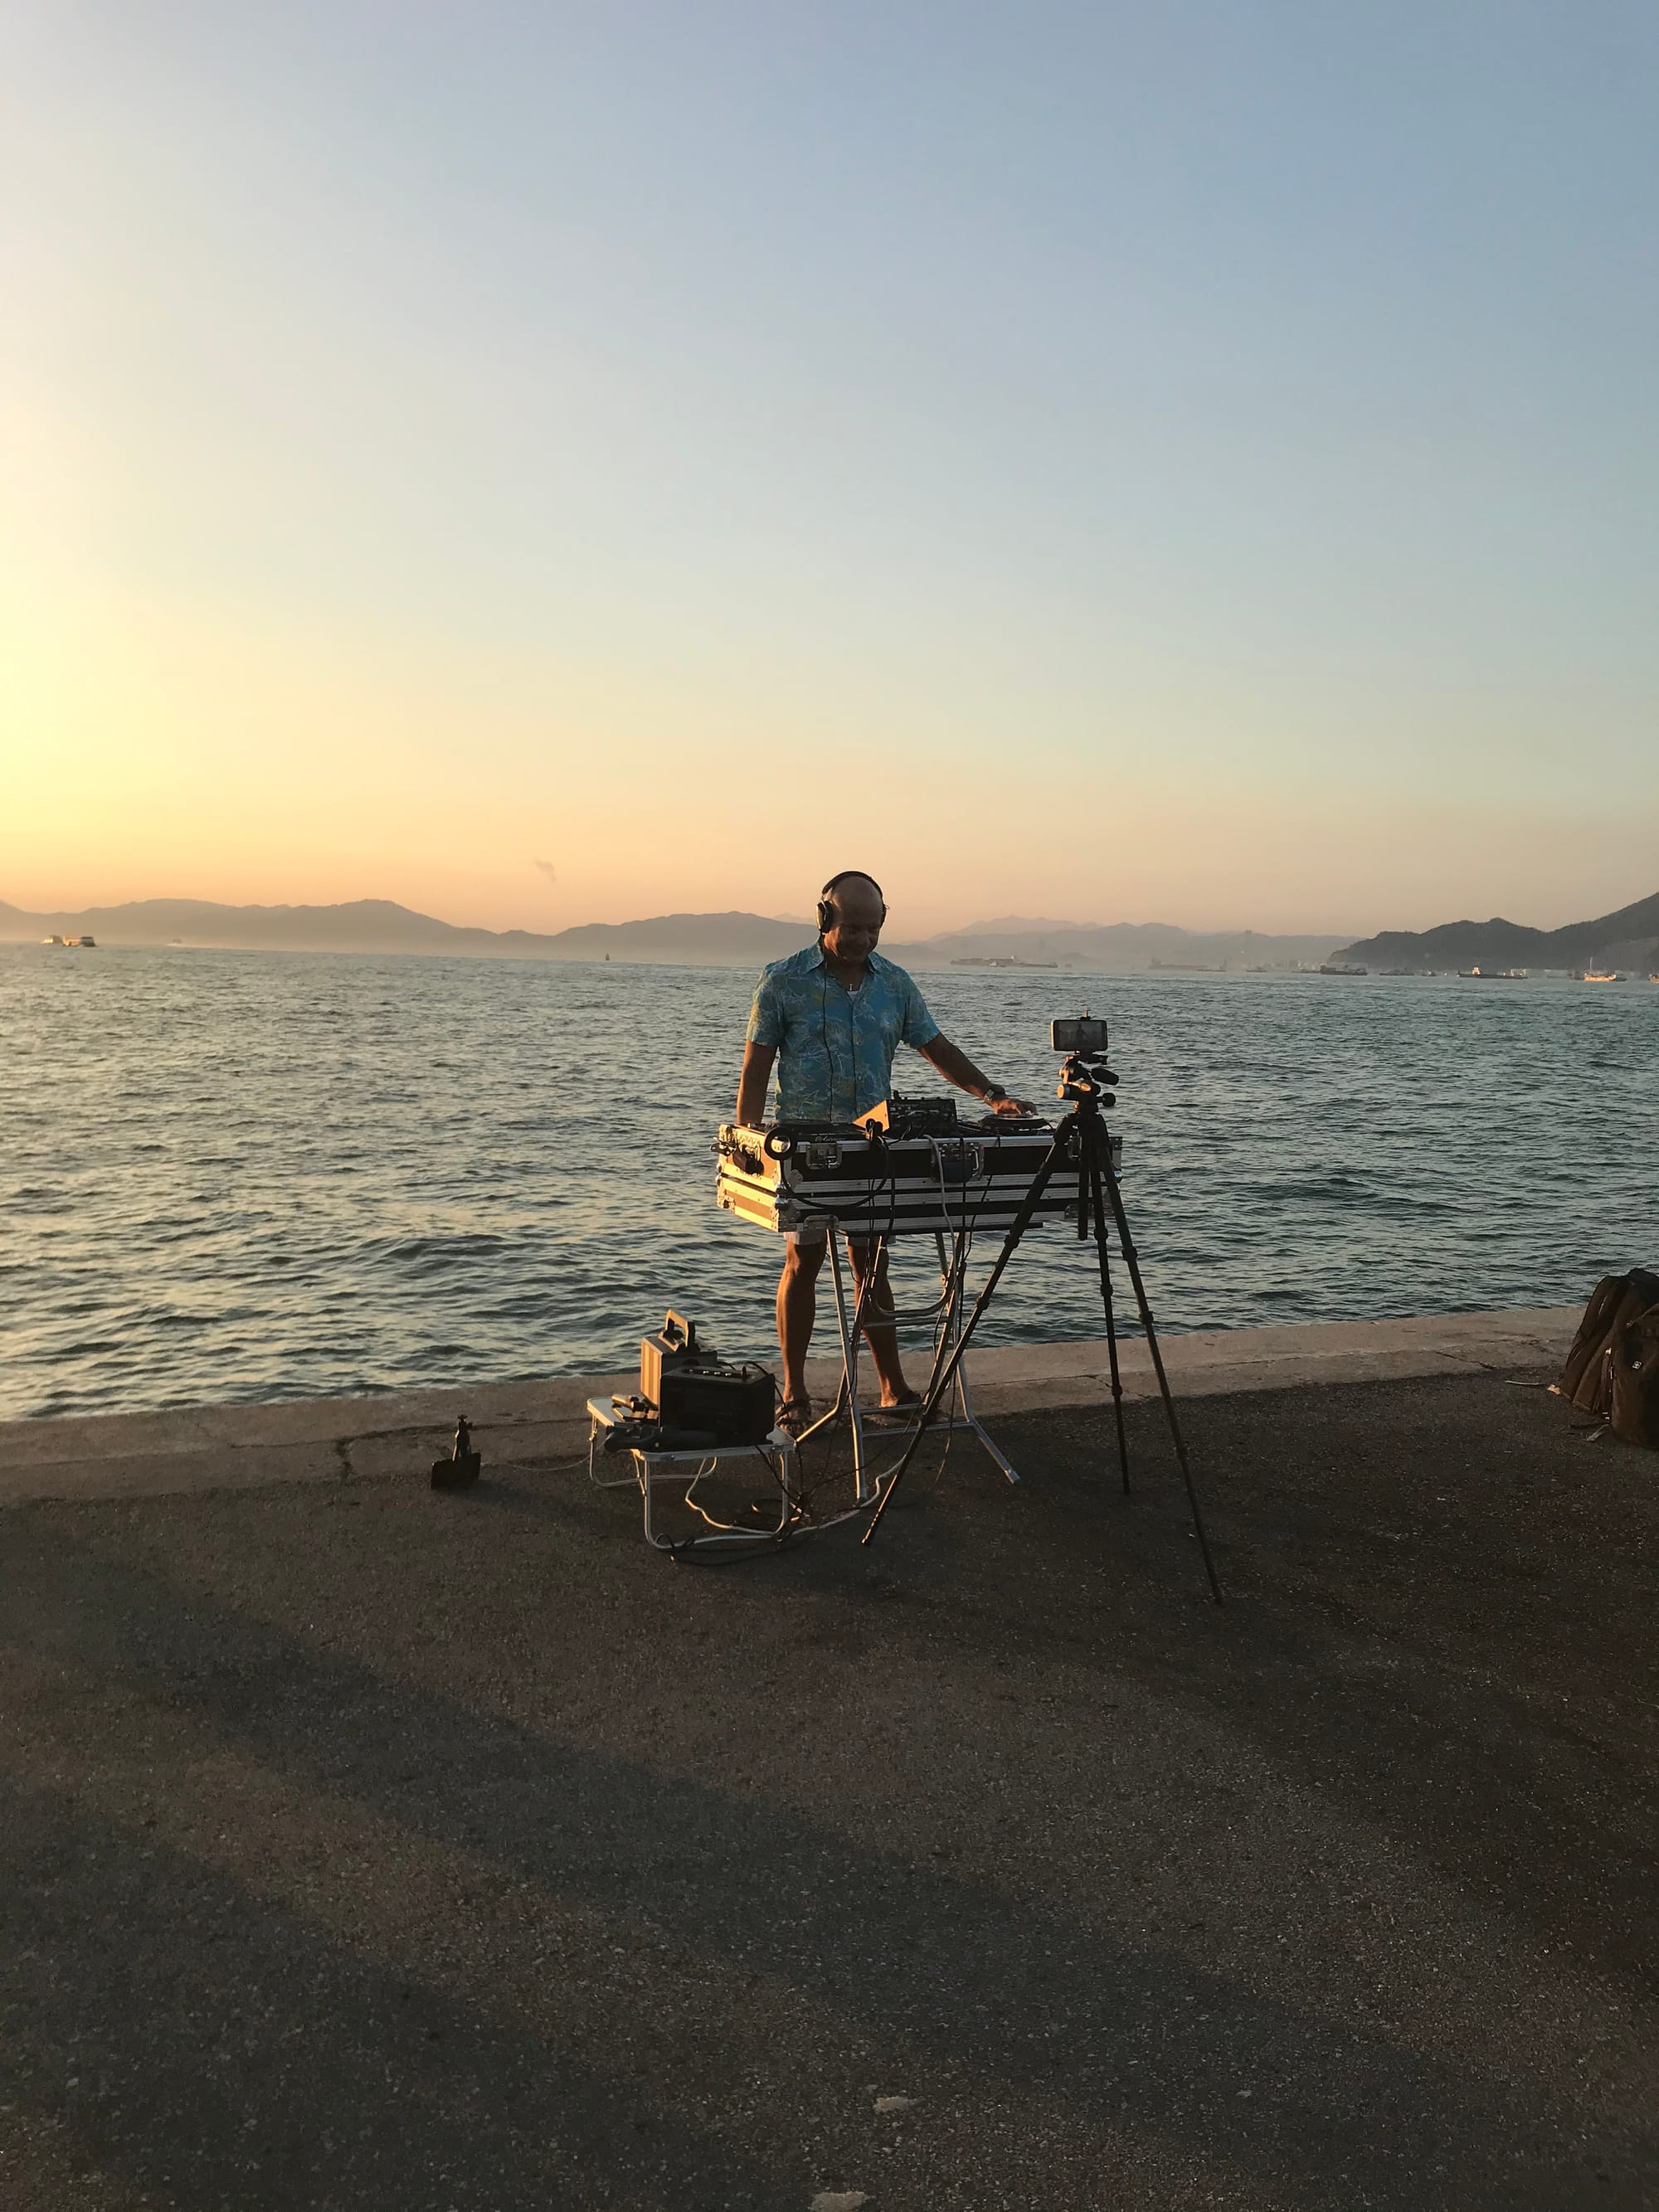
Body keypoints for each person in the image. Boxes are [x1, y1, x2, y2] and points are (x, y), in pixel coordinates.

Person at [734, 869, 1036, 1436]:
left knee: (872, 1264)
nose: (863, 940)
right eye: (852, 927)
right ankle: (795, 1392)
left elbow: (935, 1046)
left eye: (873, 929)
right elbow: (756, 1068)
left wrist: (993, 1096)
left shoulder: (894, 984)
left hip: (874, 1150)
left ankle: (892, 1386)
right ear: (825, 918)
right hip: (806, 1150)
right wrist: (747, 1141)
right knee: (804, 1263)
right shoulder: (781, 981)